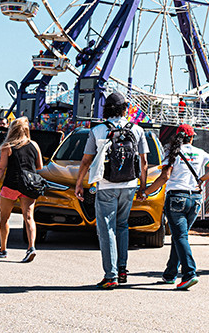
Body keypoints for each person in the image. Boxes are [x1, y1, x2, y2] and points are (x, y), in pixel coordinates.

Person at [74, 92, 150, 289]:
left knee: (106, 229)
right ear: (125, 109)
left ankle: (111, 275)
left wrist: (79, 183)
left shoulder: (98, 130)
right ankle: (122, 269)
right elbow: (143, 162)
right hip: (129, 185)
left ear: (106, 109)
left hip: (106, 185)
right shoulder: (137, 130)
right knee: (122, 226)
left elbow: (86, 160)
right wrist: (142, 187)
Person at [144, 123, 209, 290]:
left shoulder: (172, 152)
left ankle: (189, 273)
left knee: (180, 237)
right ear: (192, 137)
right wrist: (202, 179)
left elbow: (165, 176)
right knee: (180, 236)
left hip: (176, 198)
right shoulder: (200, 153)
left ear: (177, 137)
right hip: (195, 199)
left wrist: (146, 192)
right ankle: (170, 274)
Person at [0, 117, 43, 262]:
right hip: (28, 186)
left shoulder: (8, 147)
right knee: (29, 217)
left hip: (11, 184)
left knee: (4, 217)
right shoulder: (34, 145)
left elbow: (1, 168)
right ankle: (31, 247)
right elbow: (39, 167)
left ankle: (3, 249)